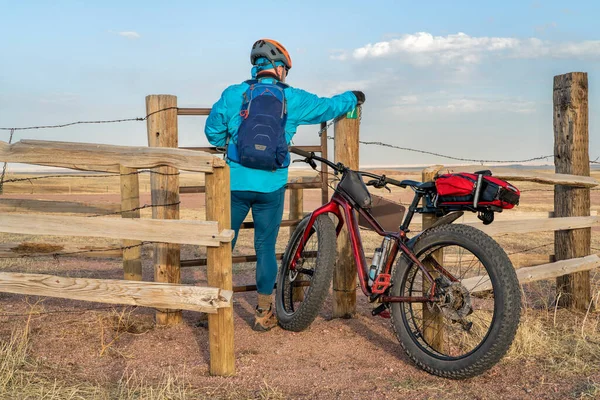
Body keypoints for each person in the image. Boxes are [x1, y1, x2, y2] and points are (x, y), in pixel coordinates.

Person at [204, 38, 365, 332]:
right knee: (265, 247)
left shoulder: (233, 94)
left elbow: (212, 133)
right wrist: (353, 97)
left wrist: (228, 145)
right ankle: (263, 313)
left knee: (222, 244)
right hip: (271, 186)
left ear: (257, 68)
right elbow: (328, 107)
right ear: (279, 69)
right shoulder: (294, 99)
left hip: (235, 185)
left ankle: (212, 307)